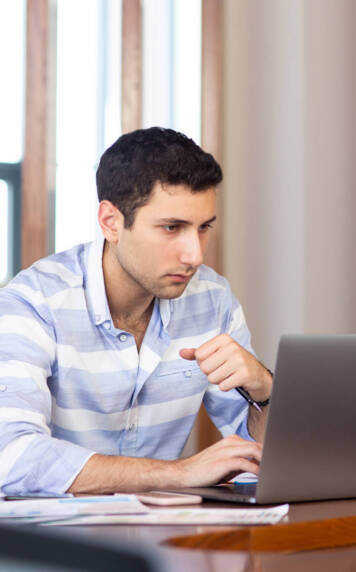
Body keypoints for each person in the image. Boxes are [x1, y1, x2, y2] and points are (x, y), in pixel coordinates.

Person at [0, 127, 272, 495]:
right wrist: (177, 473)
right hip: (50, 546)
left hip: (161, 538)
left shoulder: (212, 299)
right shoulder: (32, 303)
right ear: (111, 222)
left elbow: (257, 455)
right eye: (171, 227)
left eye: (203, 228)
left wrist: (265, 391)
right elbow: (11, 456)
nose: (195, 255)